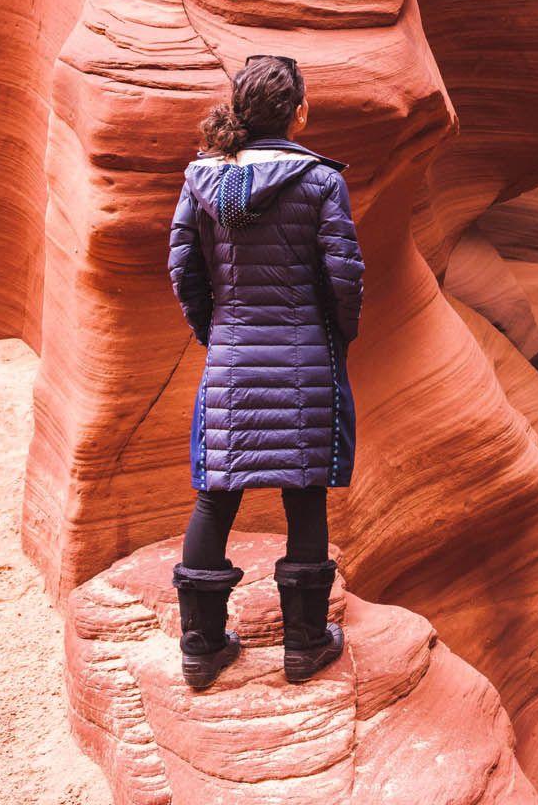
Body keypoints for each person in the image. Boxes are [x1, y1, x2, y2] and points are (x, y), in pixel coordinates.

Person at [166, 54, 364, 690]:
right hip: (304, 353)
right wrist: (340, 332)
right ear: (299, 110)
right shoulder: (319, 181)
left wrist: (214, 331)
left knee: (215, 494)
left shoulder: (204, 178)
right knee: (303, 492)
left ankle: (200, 649)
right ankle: (304, 646)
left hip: (230, 355)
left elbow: (183, 271)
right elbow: (345, 275)